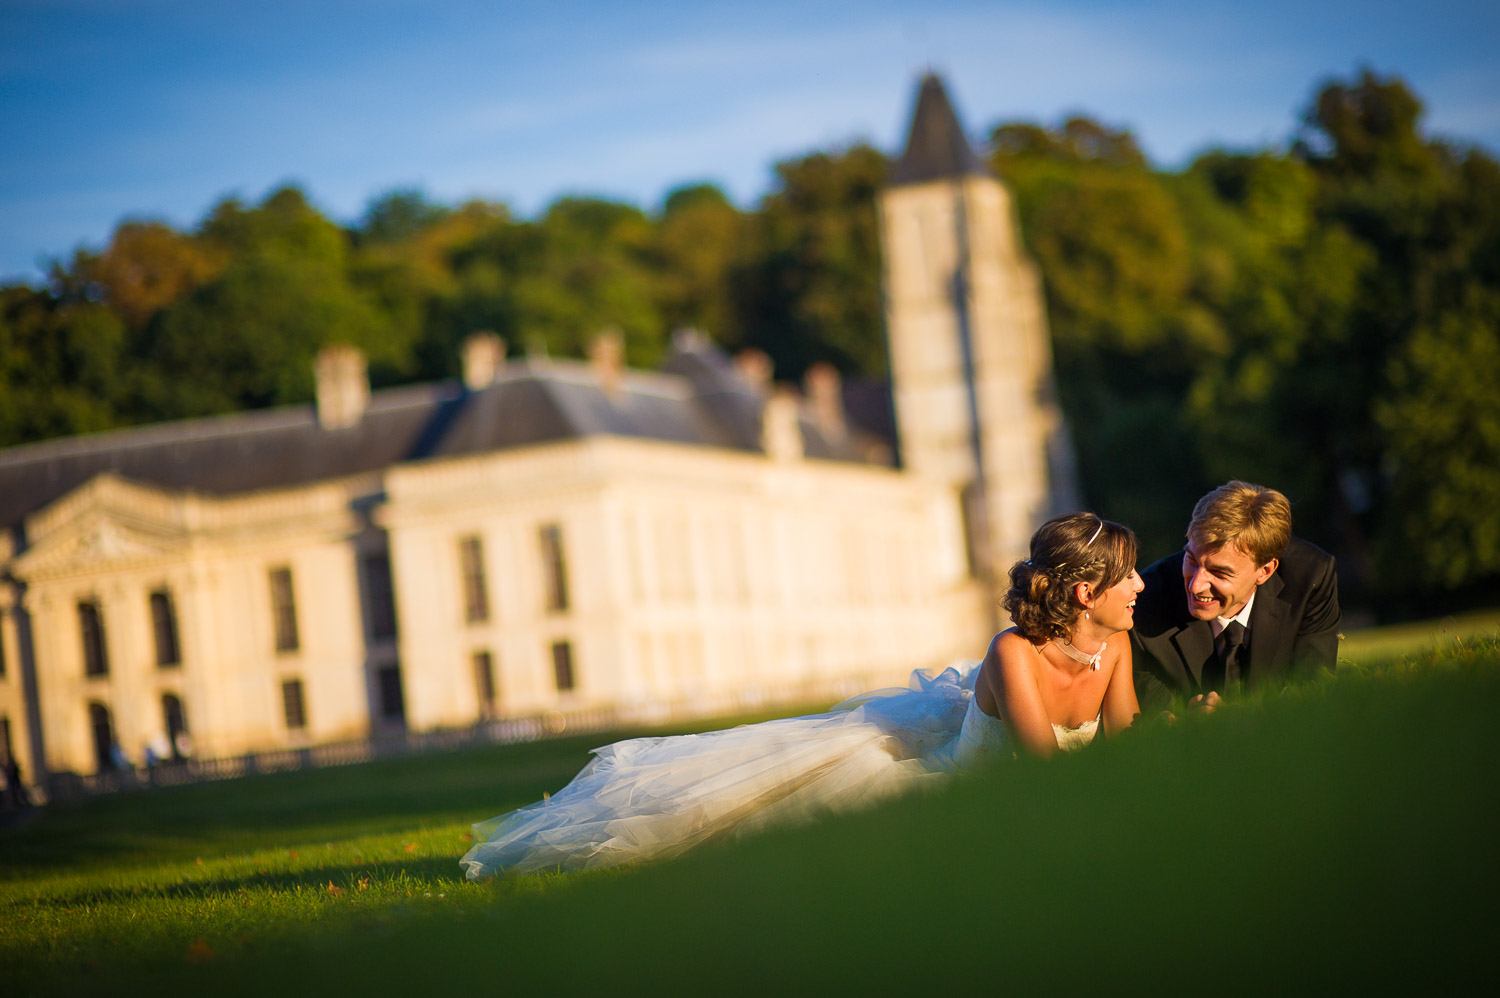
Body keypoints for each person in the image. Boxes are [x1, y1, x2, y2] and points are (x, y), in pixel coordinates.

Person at [460, 512, 1143, 879]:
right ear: (1086, 593)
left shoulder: (1116, 647)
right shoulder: (1011, 653)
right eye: (1129, 577)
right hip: (965, 792)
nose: (1142, 587)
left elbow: (1132, 743)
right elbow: (1042, 770)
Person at [1130, 481, 1341, 713]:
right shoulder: (1145, 598)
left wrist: (1247, 717)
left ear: (1265, 571)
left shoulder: (1310, 579)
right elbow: (1145, 699)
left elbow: (1313, 689)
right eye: (1191, 559)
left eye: (1219, 572)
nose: (1196, 585)